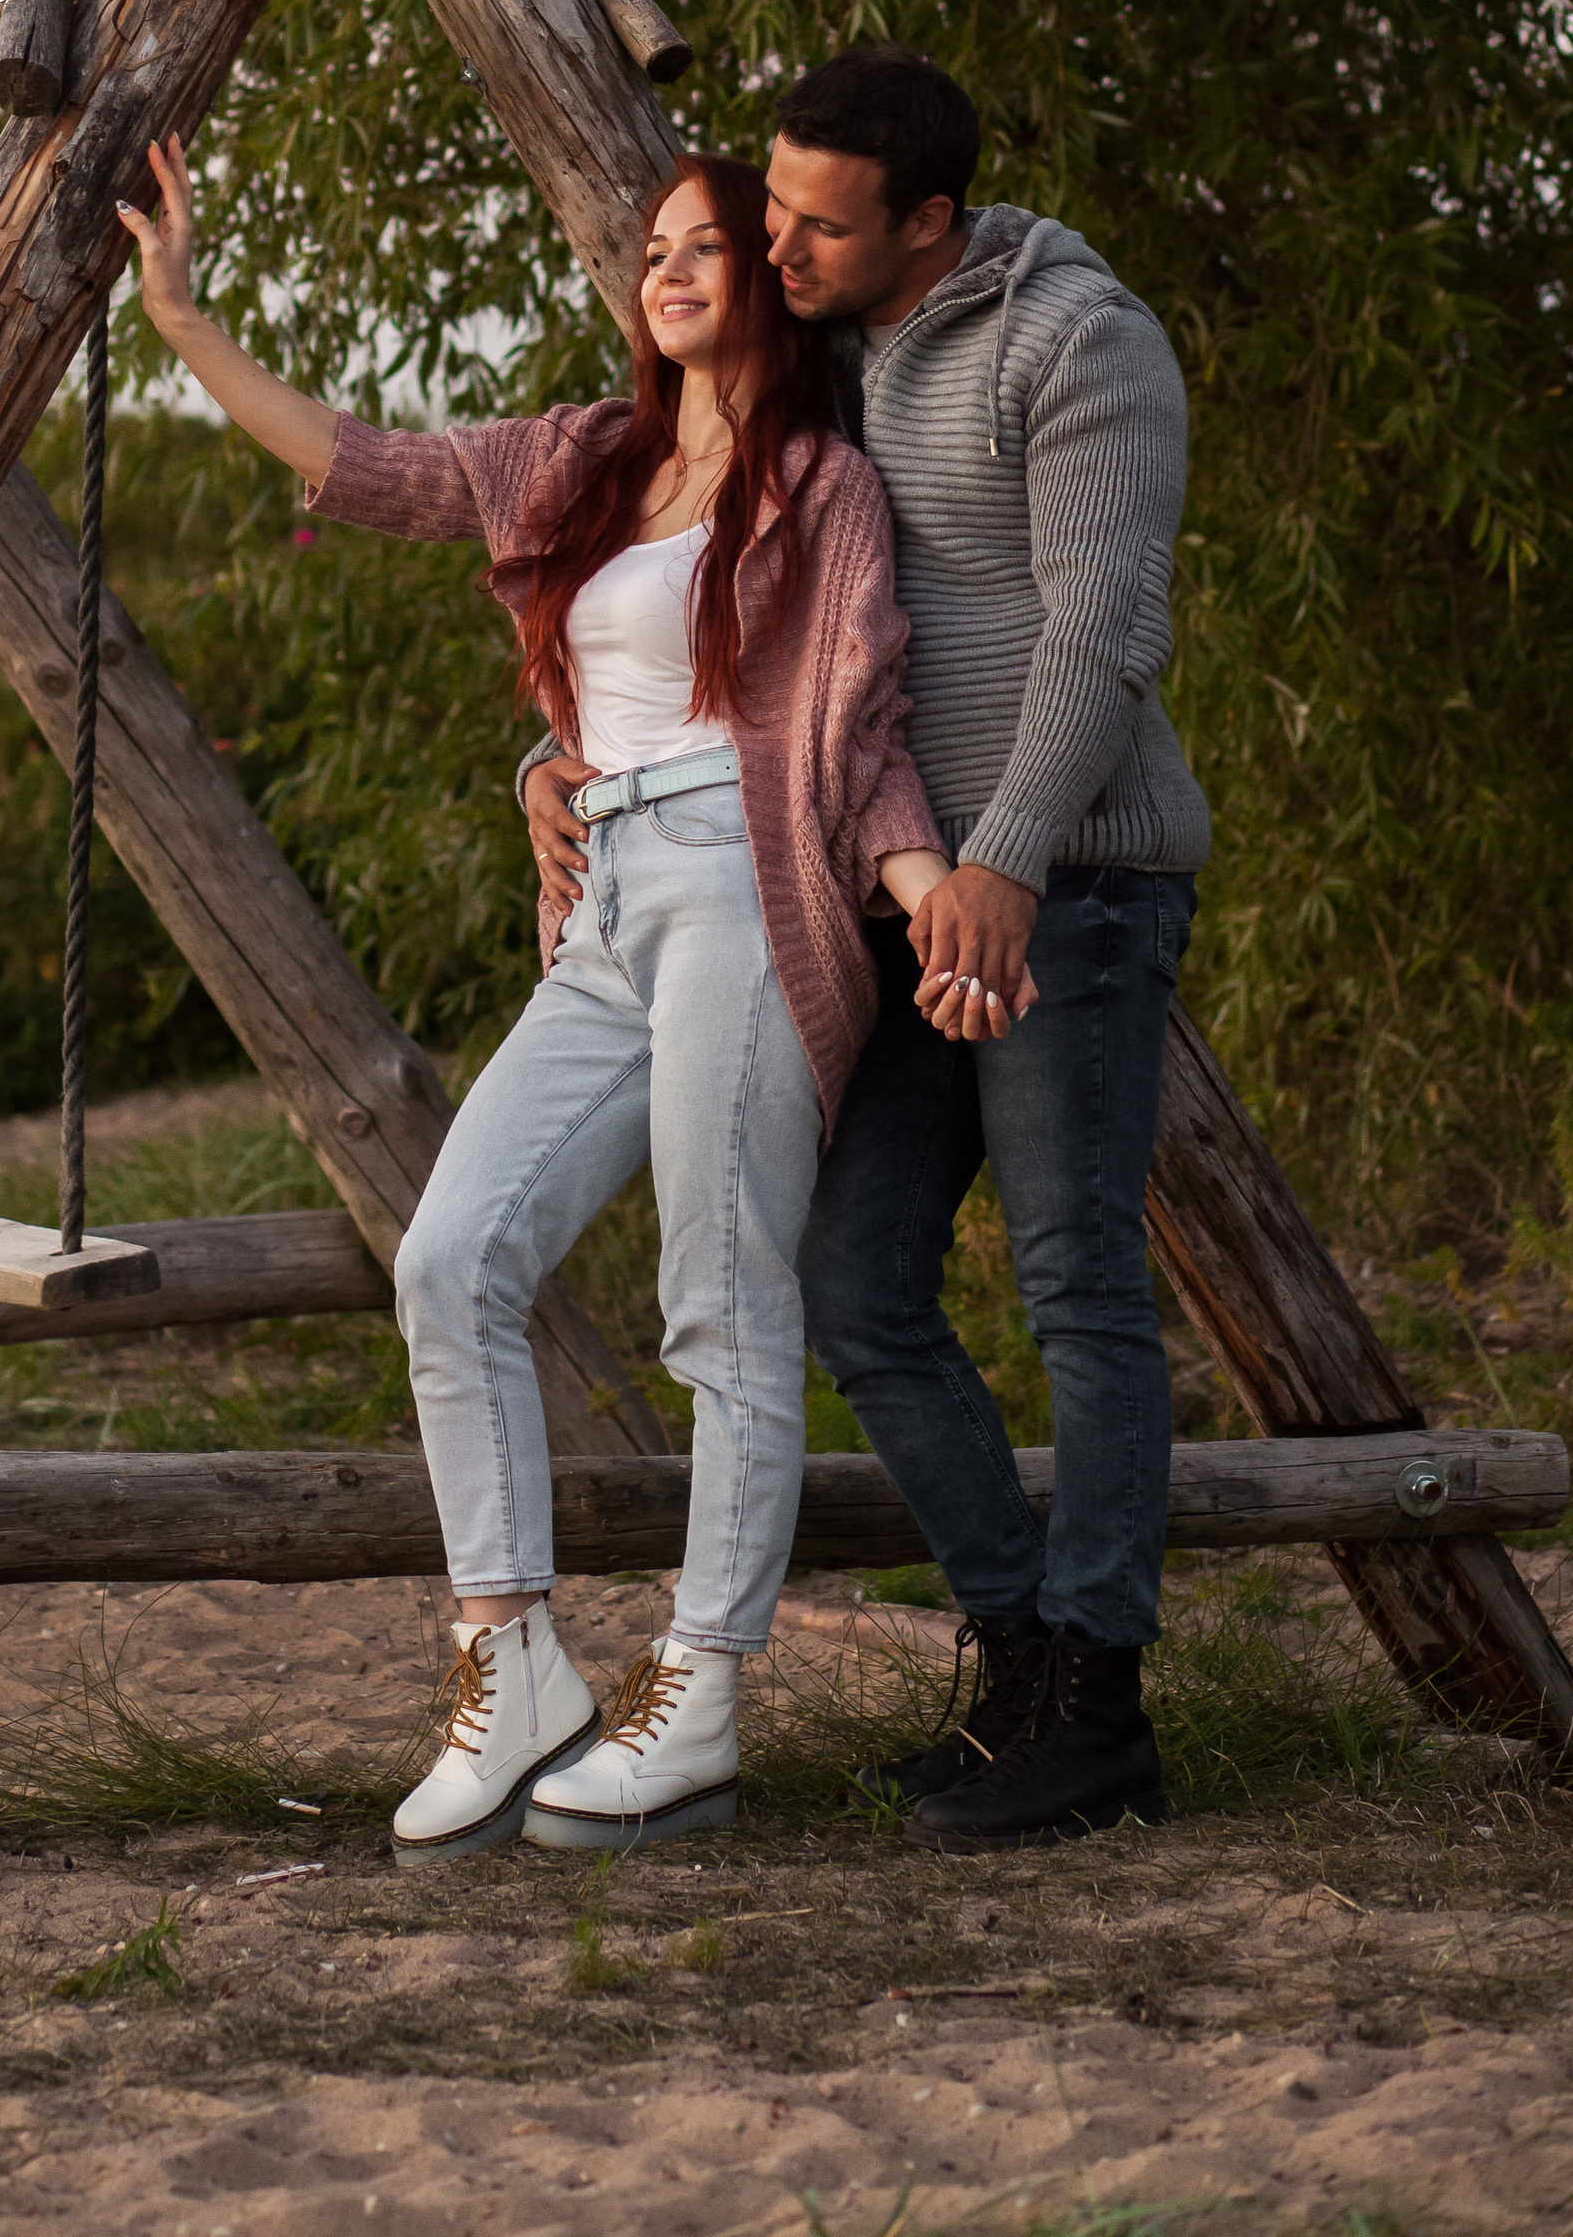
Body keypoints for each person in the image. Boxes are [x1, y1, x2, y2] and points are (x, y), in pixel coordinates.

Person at [118, 134, 949, 1858]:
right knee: (453, 1258)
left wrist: (933, 893)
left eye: (706, 245)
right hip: (609, 905)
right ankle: (515, 1665)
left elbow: (854, 740)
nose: (669, 269)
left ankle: (705, 1692)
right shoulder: (588, 460)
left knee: (721, 1295)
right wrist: (184, 323)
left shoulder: (821, 483)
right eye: (652, 248)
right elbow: (371, 468)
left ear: (774, 279)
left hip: (744, 880)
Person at [528, 45, 1210, 1845]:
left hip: (1067, 888)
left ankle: (1102, 1706)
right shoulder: (835, 352)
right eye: (772, 207)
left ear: (934, 222)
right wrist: (558, 758)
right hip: (900, 899)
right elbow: (712, 601)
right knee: (856, 1279)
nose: (779, 245)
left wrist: (1001, 858)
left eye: (820, 223)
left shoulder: (1079, 342)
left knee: (1077, 1286)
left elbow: (1108, 628)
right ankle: (1017, 1652)